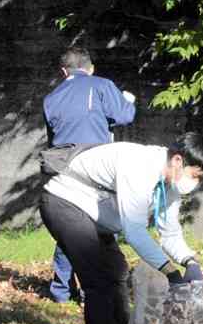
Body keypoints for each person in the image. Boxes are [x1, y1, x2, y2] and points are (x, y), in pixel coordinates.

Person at [38, 132, 203, 324]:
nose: (194, 182)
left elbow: (170, 233)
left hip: (94, 215)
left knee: (117, 271)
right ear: (177, 161)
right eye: (195, 175)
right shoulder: (140, 165)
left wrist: (190, 262)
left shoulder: (171, 184)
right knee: (98, 281)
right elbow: (134, 232)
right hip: (65, 203)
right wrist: (171, 272)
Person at [43, 46, 136, 303]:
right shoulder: (102, 85)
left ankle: (61, 291)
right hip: (97, 168)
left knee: (69, 228)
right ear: (91, 67)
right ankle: (91, 291)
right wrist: (128, 100)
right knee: (101, 227)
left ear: (64, 71)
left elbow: (54, 139)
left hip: (64, 169)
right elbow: (125, 116)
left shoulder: (50, 98)